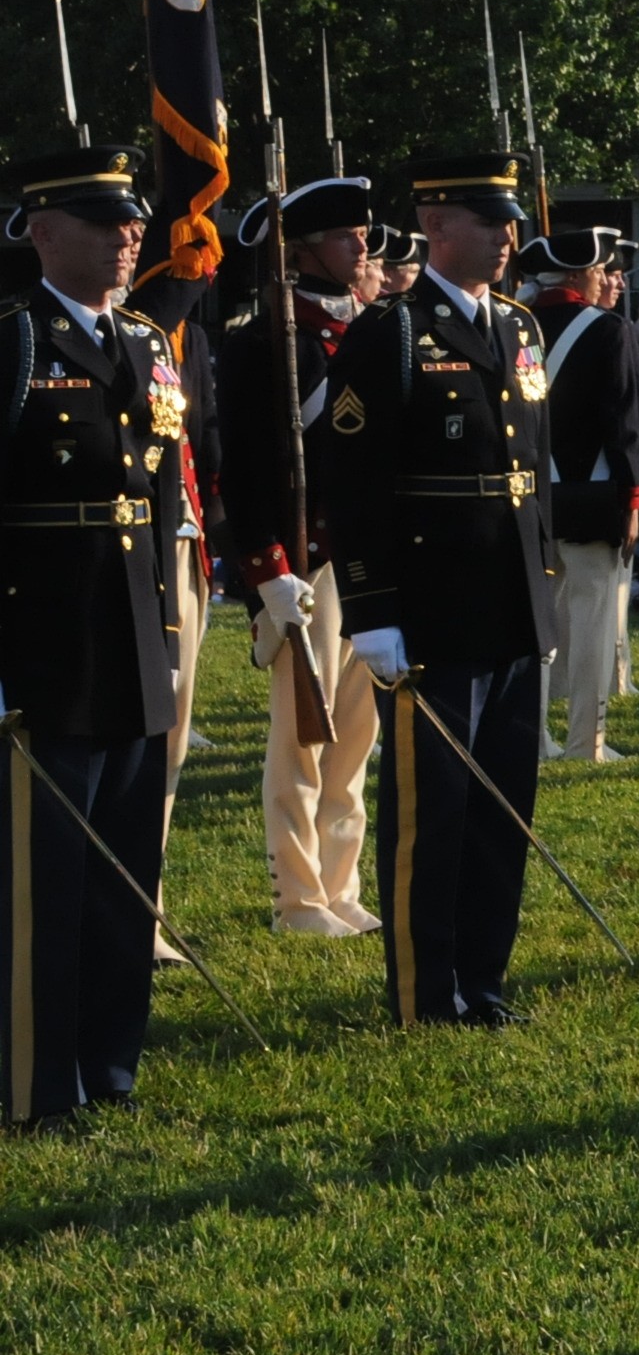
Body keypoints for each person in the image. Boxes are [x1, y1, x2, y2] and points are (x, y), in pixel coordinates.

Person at [329, 153, 561, 1029]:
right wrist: (373, 608)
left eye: (509, 221)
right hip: (433, 604)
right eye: (488, 219)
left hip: (510, 600)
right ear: (435, 227)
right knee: (436, 813)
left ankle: (483, 978)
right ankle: (428, 991)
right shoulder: (392, 332)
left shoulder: (521, 329)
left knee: (503, 805)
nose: (508, 236)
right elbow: (354, 483)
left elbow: (531, 469)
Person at [0, 148, 193, 1119]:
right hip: (44, 648)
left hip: (133, 642)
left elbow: (158, 492)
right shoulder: (16, 340)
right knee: (46, 885)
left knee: (124, 876)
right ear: (41, 231)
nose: (129, 236)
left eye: (133, 221)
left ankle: (109, 1068)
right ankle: (39, 1081)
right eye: (102, 219)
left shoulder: (150, 343)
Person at [219, 175, 382, 940]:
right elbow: (244, 468)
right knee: (301, 741)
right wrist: (267, 569)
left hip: (366, 556)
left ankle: (342, 883)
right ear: (307, 246)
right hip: (305, 564)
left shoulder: (371, 331)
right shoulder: (266, 341)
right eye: (348, 235)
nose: (362, 247)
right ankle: (299, 897)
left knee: (355, 737)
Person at [516, 227, 639, 764]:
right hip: (591, 494)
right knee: (592, 624)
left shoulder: (513, 325)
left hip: (528, 495)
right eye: (598, 271)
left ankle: (534, 737)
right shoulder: (609, 330)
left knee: (537, 623)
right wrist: (632, 498)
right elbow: (623, 423)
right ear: (576, 276)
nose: (603, 279)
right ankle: (583, 742)